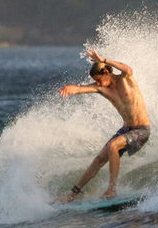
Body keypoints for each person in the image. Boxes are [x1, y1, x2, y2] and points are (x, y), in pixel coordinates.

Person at [58, 49, 150, 202]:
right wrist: (70, 88)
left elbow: (128, 69)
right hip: (126, 130)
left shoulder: (125, 79)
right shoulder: (102, 89)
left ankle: (112, 189)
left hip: (141, 130)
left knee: (113, 145)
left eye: (99, 79)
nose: (98, 83)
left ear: (107, 71)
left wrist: (104, 59)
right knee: (99, 160)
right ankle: (73, 194)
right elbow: (80, 89)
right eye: (96, 81)